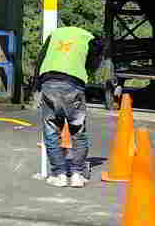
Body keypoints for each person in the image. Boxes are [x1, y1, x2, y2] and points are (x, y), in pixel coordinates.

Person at [32, 25, 106, 188]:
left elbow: (40, 59)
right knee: (77, 130)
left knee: (51, 130)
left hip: (49, 83)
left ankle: (59, 174)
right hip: (73, 85)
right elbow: (92, 66)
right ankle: (77, 174)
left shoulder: (55, 34)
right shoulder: (89, 39)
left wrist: (36, 87)